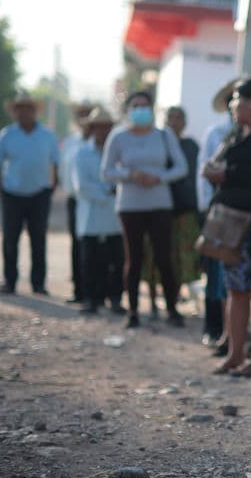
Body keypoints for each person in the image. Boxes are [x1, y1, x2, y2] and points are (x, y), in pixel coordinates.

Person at [204, 77, 251, 377]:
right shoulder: (235, 134)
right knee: (234, 289)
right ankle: (235, 353)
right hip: (228, 219)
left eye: (237, 99)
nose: (233, 106)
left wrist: (228, 173)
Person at [101, 91, 188, 329]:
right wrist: (131, 175)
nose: (140, 109)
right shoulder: (118, 137)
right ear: (128, 110)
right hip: (130, 205)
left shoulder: (163, 135)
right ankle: (133, 311)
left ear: (151, 109)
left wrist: (158, 178)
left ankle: (171, 309)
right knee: (134, 259)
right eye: (135, 105)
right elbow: (106, 172)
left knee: (163, 257)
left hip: (160, 204)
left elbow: (181, 167)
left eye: (145, 105)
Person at [0, 91, 60, 296]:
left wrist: (51, 188)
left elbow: (56, 162)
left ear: (35, 111)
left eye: (28, 108)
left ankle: (38, 283)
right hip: (12, 194)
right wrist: (0, 188)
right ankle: (9, 282)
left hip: (39, 194)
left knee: (38, 241)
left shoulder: (47, 135)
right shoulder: (7, 134)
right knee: (11, 240)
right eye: (20, 109)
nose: (24, 112)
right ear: (15, 112)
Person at [140, 106, 203, 316]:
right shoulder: (156, 144)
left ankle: (172, 301)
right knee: (153, 258)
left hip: (185, 209)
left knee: (179, 259)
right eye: (171, 117)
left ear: (185, 122)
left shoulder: (191, 147)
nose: (174, 122)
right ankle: (152, 302)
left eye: (179, 118)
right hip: (158, 208)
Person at [199, 78, 241, 353]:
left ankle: (234, 332)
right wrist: (205, 206)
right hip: (219, 210)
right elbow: (205, 172)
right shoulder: (217, 133)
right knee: (215, 274)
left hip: (243, 213)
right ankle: (214, 327)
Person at [71, 107, 125, 315]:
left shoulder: (118, 152)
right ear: (92, 129)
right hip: (91, 216)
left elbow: (122, 177)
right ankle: (90, 299)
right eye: (98, 127)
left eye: (106, 127)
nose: (102, 131)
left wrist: (113, 191)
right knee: (90, 260)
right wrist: (108, 192)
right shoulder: (81, 153)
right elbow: (82, 186)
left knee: (116, 260)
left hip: (115, 217)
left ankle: (116, 298)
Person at [60, 104, 94, 304]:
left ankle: (99, 292)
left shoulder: (104, 143)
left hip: (98, 200)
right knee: (77, 245)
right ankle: (79, 289)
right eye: (82, 115)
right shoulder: (71, 143)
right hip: (75, 199)